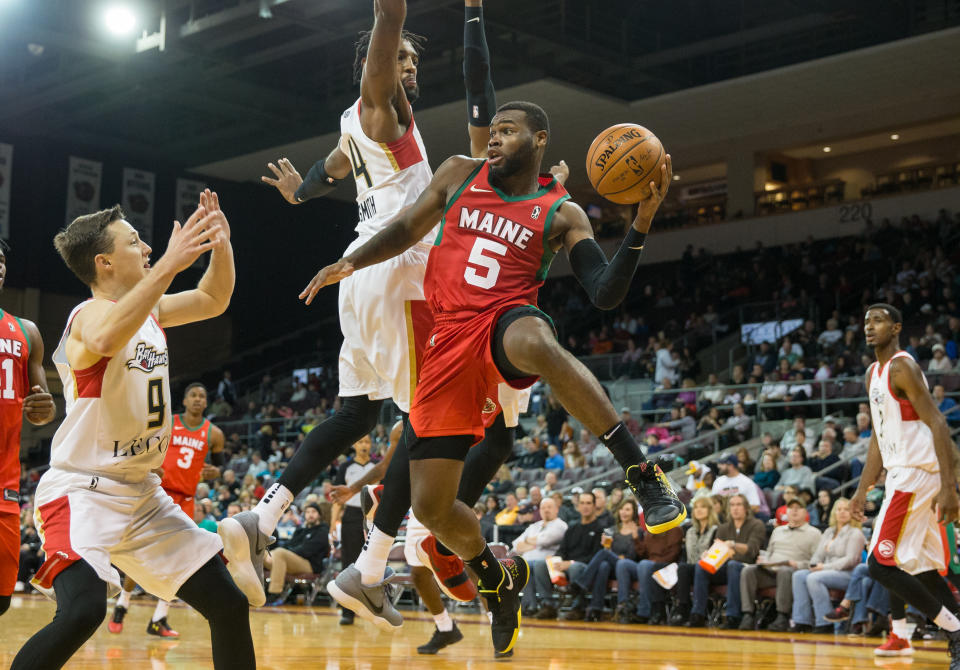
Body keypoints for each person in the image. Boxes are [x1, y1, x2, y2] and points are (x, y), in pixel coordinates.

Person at [301, 98, 686, 653]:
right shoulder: (460, 171)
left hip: (503, 320)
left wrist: (640, 226)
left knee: (535, 340)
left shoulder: (561, 211)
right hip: (445, 339)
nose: (497, 138)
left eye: (509, 131)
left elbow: (604, 292)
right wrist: (352, 262)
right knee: (433, 508)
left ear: (540, 140)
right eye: (495, 130)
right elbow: (408, 227)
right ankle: (493, 578)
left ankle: (643, 473)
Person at [237, 1, 555, 636]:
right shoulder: (384, 107)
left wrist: (297, 191)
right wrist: (396, 15)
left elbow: (325, 174)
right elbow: (391, 36)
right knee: (424, 421)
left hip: (358, 275)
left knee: (355, 413)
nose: (411, 68)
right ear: (375, 66)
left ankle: (262, 518)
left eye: (413, 60)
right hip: (397, 270)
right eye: (401, 59)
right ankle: (372, 567)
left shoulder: (352, 130)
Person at [13, 193, 255, 670]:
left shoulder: (150, 312)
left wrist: (221, 245)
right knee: (83, 610)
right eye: (135, 241)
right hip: (82, 490)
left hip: (143, 496)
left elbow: (213, 298)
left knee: (228, 605)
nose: (147, 248)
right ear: (104, 262)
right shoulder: (86, 316)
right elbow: (105, 338)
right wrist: (170, 261)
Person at [850, 304, 960, 665]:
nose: (870, 326)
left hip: (915, 474)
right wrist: (861, 489)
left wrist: (949, 488)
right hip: (902, 473)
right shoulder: (873, 373)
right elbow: (877, 440)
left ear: (896, 327)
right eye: (866, 321)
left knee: (881, 564)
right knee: (921, 568)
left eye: (878, 320)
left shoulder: (902, 366)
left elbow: (939, 425)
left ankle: (955, 631)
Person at [109, 382, 225, 636]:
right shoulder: (168, 423)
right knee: (143, 551)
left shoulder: (213, 433)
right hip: (158, 493)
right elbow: (144, 448)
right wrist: (150, 465)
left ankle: (159, 618)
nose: (197, 399)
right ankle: (123, 602)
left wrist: (216, 473)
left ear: (206, 403)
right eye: (193, 395)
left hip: (187, 499)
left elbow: (219, 469)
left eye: (202, 396)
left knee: (180, 559)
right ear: (183, 400)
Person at [0, 245, 57, 618]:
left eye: (1, 260)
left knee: (2, 600)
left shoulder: (26, 331)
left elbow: (43, 408)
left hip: (4, 482)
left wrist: (45, 408)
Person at [739, 498, 821, 631]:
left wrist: (798, 564)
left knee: (785, 570)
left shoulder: (814, 533)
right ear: (786, 512)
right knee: (749, 570)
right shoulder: (777, 531)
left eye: (798, 508)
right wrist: (763, 559)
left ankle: (782, 616)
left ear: (805, 512)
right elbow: (770, 553)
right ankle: (748, 614)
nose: (794, 510)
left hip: (792, 572)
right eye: (791, 507)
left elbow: (816, 562)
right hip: (770, 570)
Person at [687, 494, 765, 629]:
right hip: (726, 565)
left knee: (733, 565)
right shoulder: (723, 528)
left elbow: (752, 550)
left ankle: (732, 616)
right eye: (732, 505)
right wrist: (709, 554)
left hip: (747, 567)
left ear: (746, 508)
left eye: (739, 504)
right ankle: (698, 614)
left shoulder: (756, 525)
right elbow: (719, 551)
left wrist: (733, 545)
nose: (735, 508)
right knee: (702, 566)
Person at [790, 498, 865, 633]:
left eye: (846, 509)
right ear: (834, 513)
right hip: (825, 571)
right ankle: (802, 621)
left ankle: (824, 623)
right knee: (799, 575)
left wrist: (823, 568)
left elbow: (850, 560)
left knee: (814, 578)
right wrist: (813, 565)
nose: (842, 512)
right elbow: (818, 555)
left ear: (852, 513)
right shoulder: (829, 531)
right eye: (839, 509)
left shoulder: (856, 533)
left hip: (847, 574)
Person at [525, 491, 603, 620]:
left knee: (575, 567)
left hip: (585, 567)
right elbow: (562, 550)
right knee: (540, 564)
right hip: (566, 565)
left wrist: (570, 562)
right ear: (577, 506)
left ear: (594, 506)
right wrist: (557, 560)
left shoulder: (599, 528)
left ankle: (578, 608)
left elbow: (596, 556)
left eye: (588, 503)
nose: (585, 506)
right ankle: (548, 605)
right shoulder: (572, 527)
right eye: (582, 503)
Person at [565, 498, 642, 621]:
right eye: (622, 509)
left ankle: (582, 584)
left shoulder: (638, 531)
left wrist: (617, 552)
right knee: (603, 566)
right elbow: (610, 552)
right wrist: (607, 547)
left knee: (604, 554)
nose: (623, 512)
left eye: (627, 509)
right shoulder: (613, 530)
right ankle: (596, 608)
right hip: (612, 564)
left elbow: (634, 555)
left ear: (633, 512)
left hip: (626, 567)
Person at [325, 435, 376, 621]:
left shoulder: (378, 468)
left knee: (374, 565)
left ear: (371, 445)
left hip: (374, 517)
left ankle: (375, 608)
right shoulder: (346, 467)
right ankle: (347, 612)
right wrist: (333, 523)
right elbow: (337, 498)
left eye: (367, 442)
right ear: (354, 445)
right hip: (352, 517)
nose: (364, 445)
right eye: (361, 442)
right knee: (349, 564)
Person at [664, 496, 719, 625]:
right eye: (696, 508)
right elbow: (685, 555)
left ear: (710, 510)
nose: (699, 510)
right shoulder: (689, 531)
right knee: (682, 567)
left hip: (709, 569)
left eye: (703, 507)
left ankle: (695, 612)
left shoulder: (716, 530)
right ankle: (683, 608)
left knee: (686, 568)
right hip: (691, 567)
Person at [263, 502, 329, 605]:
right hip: (292, 562)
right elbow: (288, 544)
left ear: (319, 515)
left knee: (280, 553)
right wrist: (275, 554)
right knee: (261, 554)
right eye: (307, 512)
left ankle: (274, 593)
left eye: (313, 512)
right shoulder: (301, 530)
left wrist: (281, 553)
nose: (310, 514)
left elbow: (307, 550)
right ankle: (256, 591)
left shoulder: (323, 531)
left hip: (310, 565)